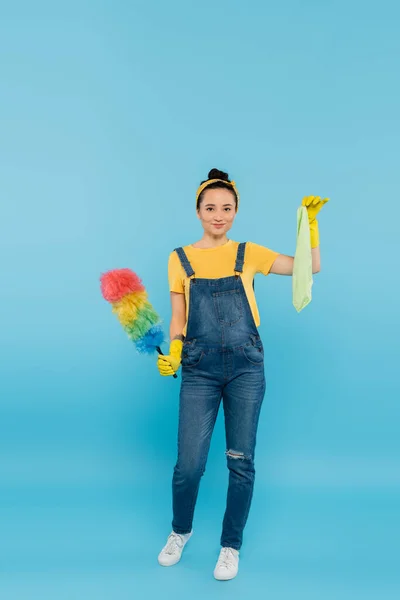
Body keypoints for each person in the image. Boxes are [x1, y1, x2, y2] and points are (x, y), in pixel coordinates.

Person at [156, 168, 328, 580]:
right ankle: (180, 531)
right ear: (198, 211)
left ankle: (230, 545)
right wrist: (175, 352)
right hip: (199, 368)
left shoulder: (248, 253)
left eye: (227, 208)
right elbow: (178, 318)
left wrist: (311, 225)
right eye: (211, 208)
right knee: (189, 467)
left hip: (246, 367)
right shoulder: (179, 258)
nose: (219, 215)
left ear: (236, 212)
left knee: (241, 461)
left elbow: (310, 268)